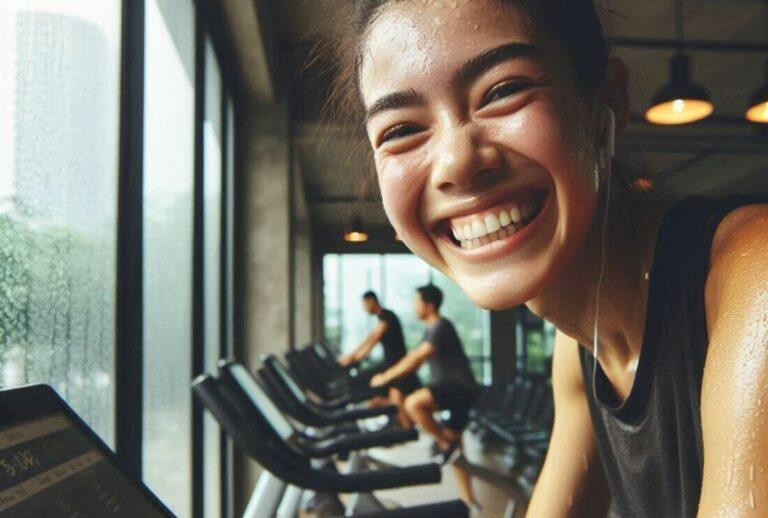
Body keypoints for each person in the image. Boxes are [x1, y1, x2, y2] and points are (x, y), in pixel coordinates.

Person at [319, 1, 768, 516]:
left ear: (608, 101)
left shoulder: (755, 277)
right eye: (400, 130)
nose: (457, 163)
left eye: (504, 90)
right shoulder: (580, 343)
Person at [370, 285, 480, 506]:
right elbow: (413, 356)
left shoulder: (441, 327)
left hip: (458, 390)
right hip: (453, 392)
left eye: (416, 302)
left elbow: (416, 359)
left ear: (429, 305)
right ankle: (470, 502)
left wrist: (385, 377)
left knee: (413, 404)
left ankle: (443, 443)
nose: (414, 307)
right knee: (457, 452)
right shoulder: (430, 329)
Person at [338, 291, 421, 427]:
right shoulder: (383, 317)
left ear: (372, 301)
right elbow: (369, 340)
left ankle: (388, 419)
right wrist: (352, 356)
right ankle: (388, 417)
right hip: (390, 363)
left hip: (394, 364)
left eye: (365, 305)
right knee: (363, 383)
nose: (364, 308)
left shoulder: (387, 317)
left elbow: (372, 340)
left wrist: (353, 357)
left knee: (358, 381)